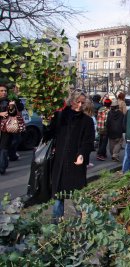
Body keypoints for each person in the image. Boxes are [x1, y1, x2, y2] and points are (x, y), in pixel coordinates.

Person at [43, 90, 95, 223]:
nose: (79, 105)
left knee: (77, 196)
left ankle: (81, 224)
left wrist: (82, 154)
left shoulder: (87, 121)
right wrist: (46, 123)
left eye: (82, 103)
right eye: (77, 102)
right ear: (71, 101)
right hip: (59, 163)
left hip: (75, 164)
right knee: (58, 196)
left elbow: (88, 141)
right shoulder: (60, 117)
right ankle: (56, 225)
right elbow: (48, 135)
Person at [0, 84, 24, 175]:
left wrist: (15, 102)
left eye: (5, 91)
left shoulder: (9, 100)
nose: (3, 92)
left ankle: (2, 167)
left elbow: (19, 109)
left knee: (4, 148)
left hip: (6, 129)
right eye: (1, 91)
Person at [83, 99, 97, 168]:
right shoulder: (90, 117)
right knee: (86, 150)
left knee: (85, 150)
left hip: (87, 136)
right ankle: (85, 163)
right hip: (88, 136)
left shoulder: (84, 115)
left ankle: (86, 162)